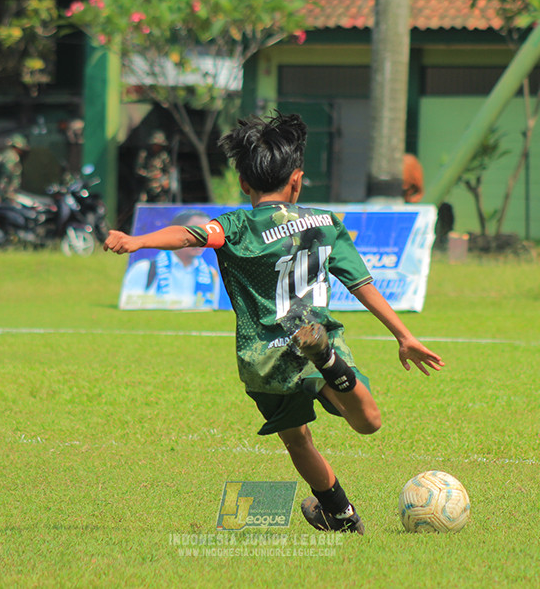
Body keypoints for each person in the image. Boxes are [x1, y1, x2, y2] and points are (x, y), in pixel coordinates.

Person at [104, 112, 444, 535]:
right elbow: (361, 283)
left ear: (245, 184)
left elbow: (189, 235)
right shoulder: (323, 223)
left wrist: (137, 241)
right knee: (368, 420)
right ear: (297, 180)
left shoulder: (236, 226)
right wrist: (404, 335)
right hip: (312, 333)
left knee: (297, 440)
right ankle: (328, 363)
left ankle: (340, 515)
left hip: (262, 356)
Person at [119, 209, 221, 310]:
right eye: (194, 233)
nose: (200, 240)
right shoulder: (144, 269)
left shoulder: (211, 274)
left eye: (205, 234)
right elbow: (128, 307)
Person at [134, 130, 172, 204]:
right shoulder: (144, 154)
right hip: (146, 185)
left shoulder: (164, 156)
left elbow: (168, 171)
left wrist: (163, 179)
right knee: (142, 202)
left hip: (159, 188)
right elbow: (138, 170)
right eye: (155, 145)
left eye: (159, 145)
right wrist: (149, 175)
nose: (157, 147)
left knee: (162, 202)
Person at [0, 133, 29, 204]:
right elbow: (7, 175)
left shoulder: (3, 154)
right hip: (7, 194)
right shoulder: (12, 156)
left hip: (1, 191)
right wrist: (7, 193)